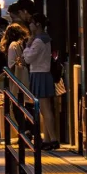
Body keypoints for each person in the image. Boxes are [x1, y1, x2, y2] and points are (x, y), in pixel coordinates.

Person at [24, 13, 59, 149]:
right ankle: (48, 139)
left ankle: (52, 139)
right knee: (45, 109)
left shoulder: (39, 41)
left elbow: (28, 58)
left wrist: (27, 46)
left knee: (45, 109)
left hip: (39, 74)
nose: (30, 26)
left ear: (37, 24)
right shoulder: (45, 39)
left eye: (31, 23)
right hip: (42, 74)